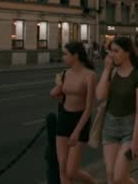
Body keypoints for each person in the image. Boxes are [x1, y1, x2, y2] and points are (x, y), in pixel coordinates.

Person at [96, 37, 138, 184]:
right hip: (110, 126)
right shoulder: (112, 72)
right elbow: (100, 96)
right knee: (110, 174)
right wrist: (107, 69)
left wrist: (136, 140)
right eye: (110, 51)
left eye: (116, 51)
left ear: (127, 53)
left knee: (119, 177)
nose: (112, 55)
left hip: (129, 128)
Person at [49, 42, 98, 184]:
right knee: (62, 168)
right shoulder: (64, 74)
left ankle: (92, 182)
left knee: (71, 171)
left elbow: (89, 107)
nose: (63, 57)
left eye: (65, 54)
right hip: (64, 118)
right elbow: (53, 93)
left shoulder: (90, 75)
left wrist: (76, 132)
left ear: (75, 55)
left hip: (80, 120)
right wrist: (59, 85)